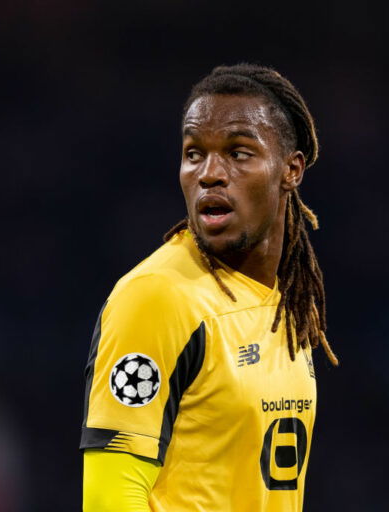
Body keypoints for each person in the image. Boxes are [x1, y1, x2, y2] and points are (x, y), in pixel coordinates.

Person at [80, 63, 339, 512]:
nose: (210, 173)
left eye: (239, 153)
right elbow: (108, 498)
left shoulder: (285, 306)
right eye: (194, 153)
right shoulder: (157, 296)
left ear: (290, 170)